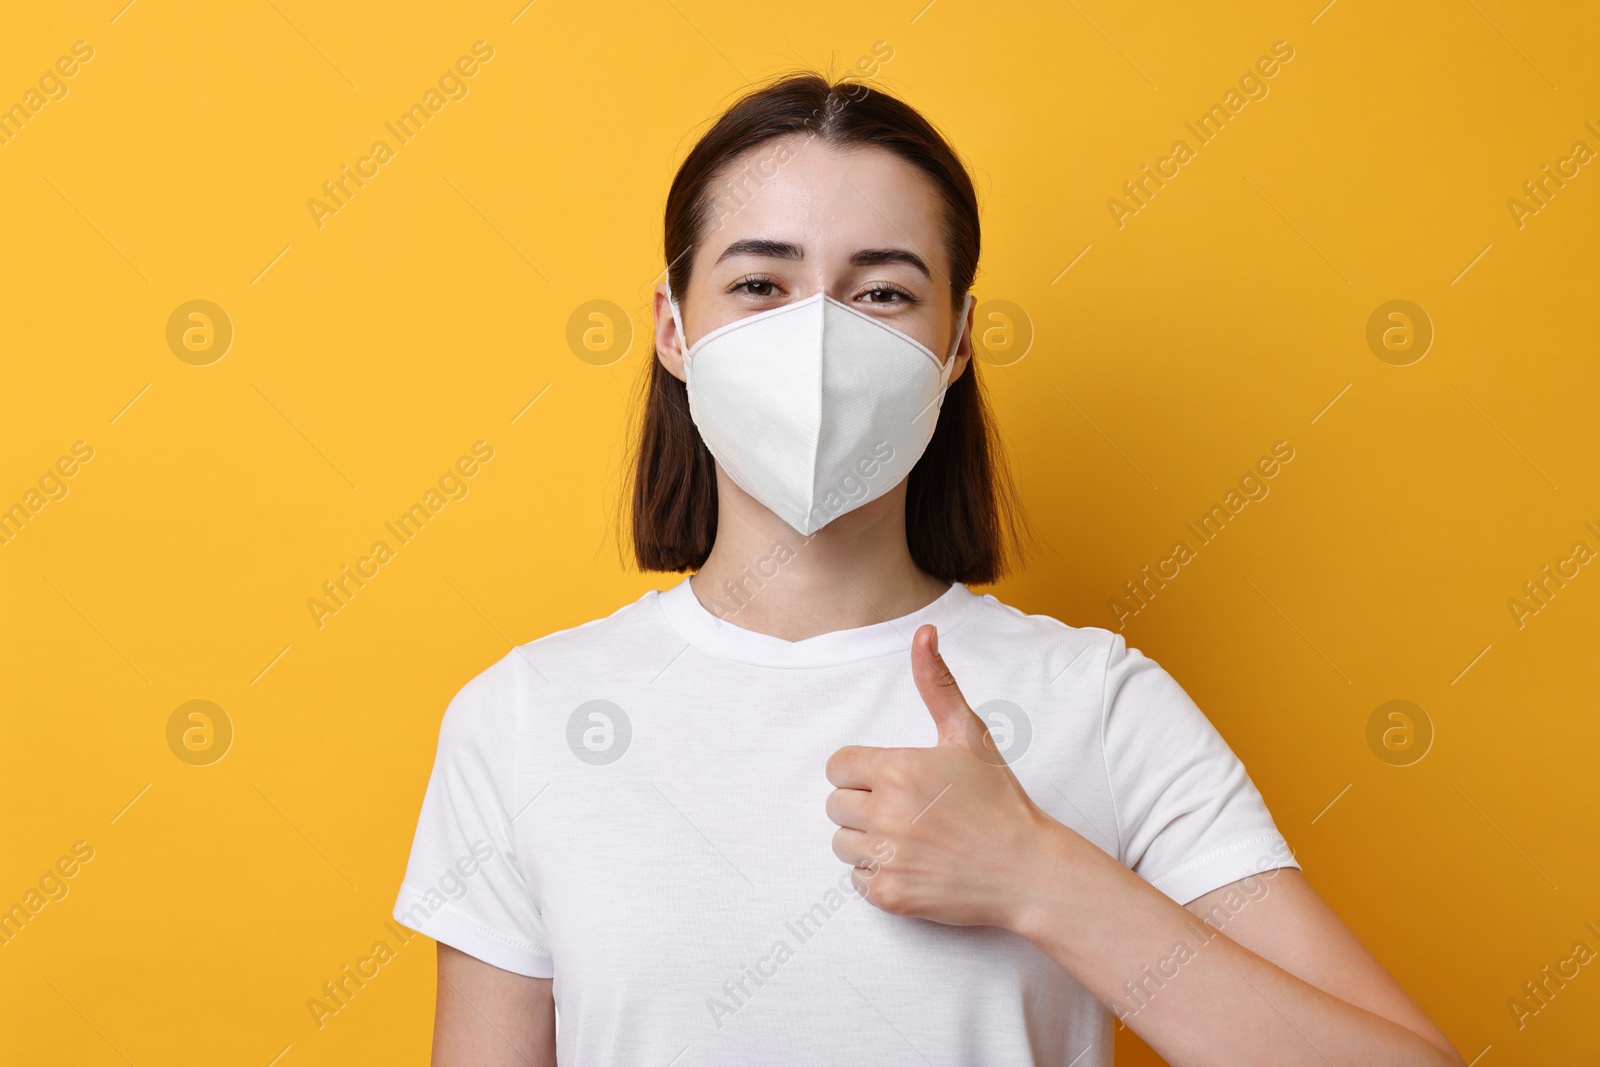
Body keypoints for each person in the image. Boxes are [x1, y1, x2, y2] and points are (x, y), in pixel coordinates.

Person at [393, 72, 1464, 1066]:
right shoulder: (527, 716)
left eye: (883, 293)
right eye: (761, 282)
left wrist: (1043, 877)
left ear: (955, 344)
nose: (814, 335)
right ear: (674, 330)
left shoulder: (1097, 702)